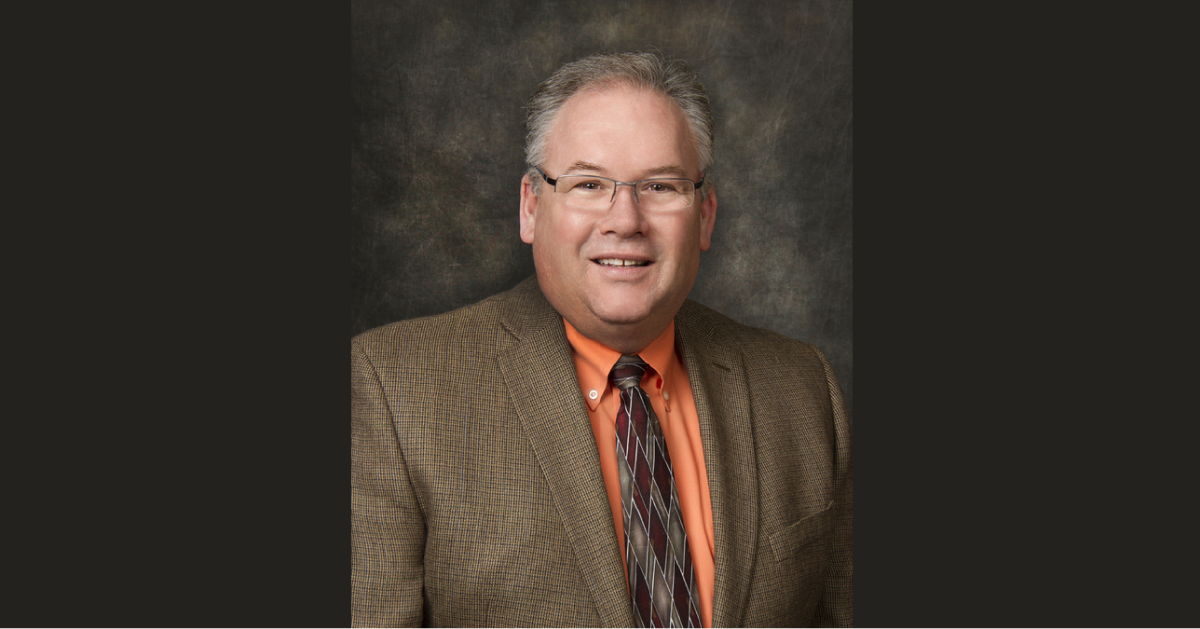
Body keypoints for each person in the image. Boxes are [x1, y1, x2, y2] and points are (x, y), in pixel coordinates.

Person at [352, 52, 852, 629]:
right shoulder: (394, 387)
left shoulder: (800, 385)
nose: (625, 219)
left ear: (706, 215)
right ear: (531, 207)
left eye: (660, 185)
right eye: (589, 183)